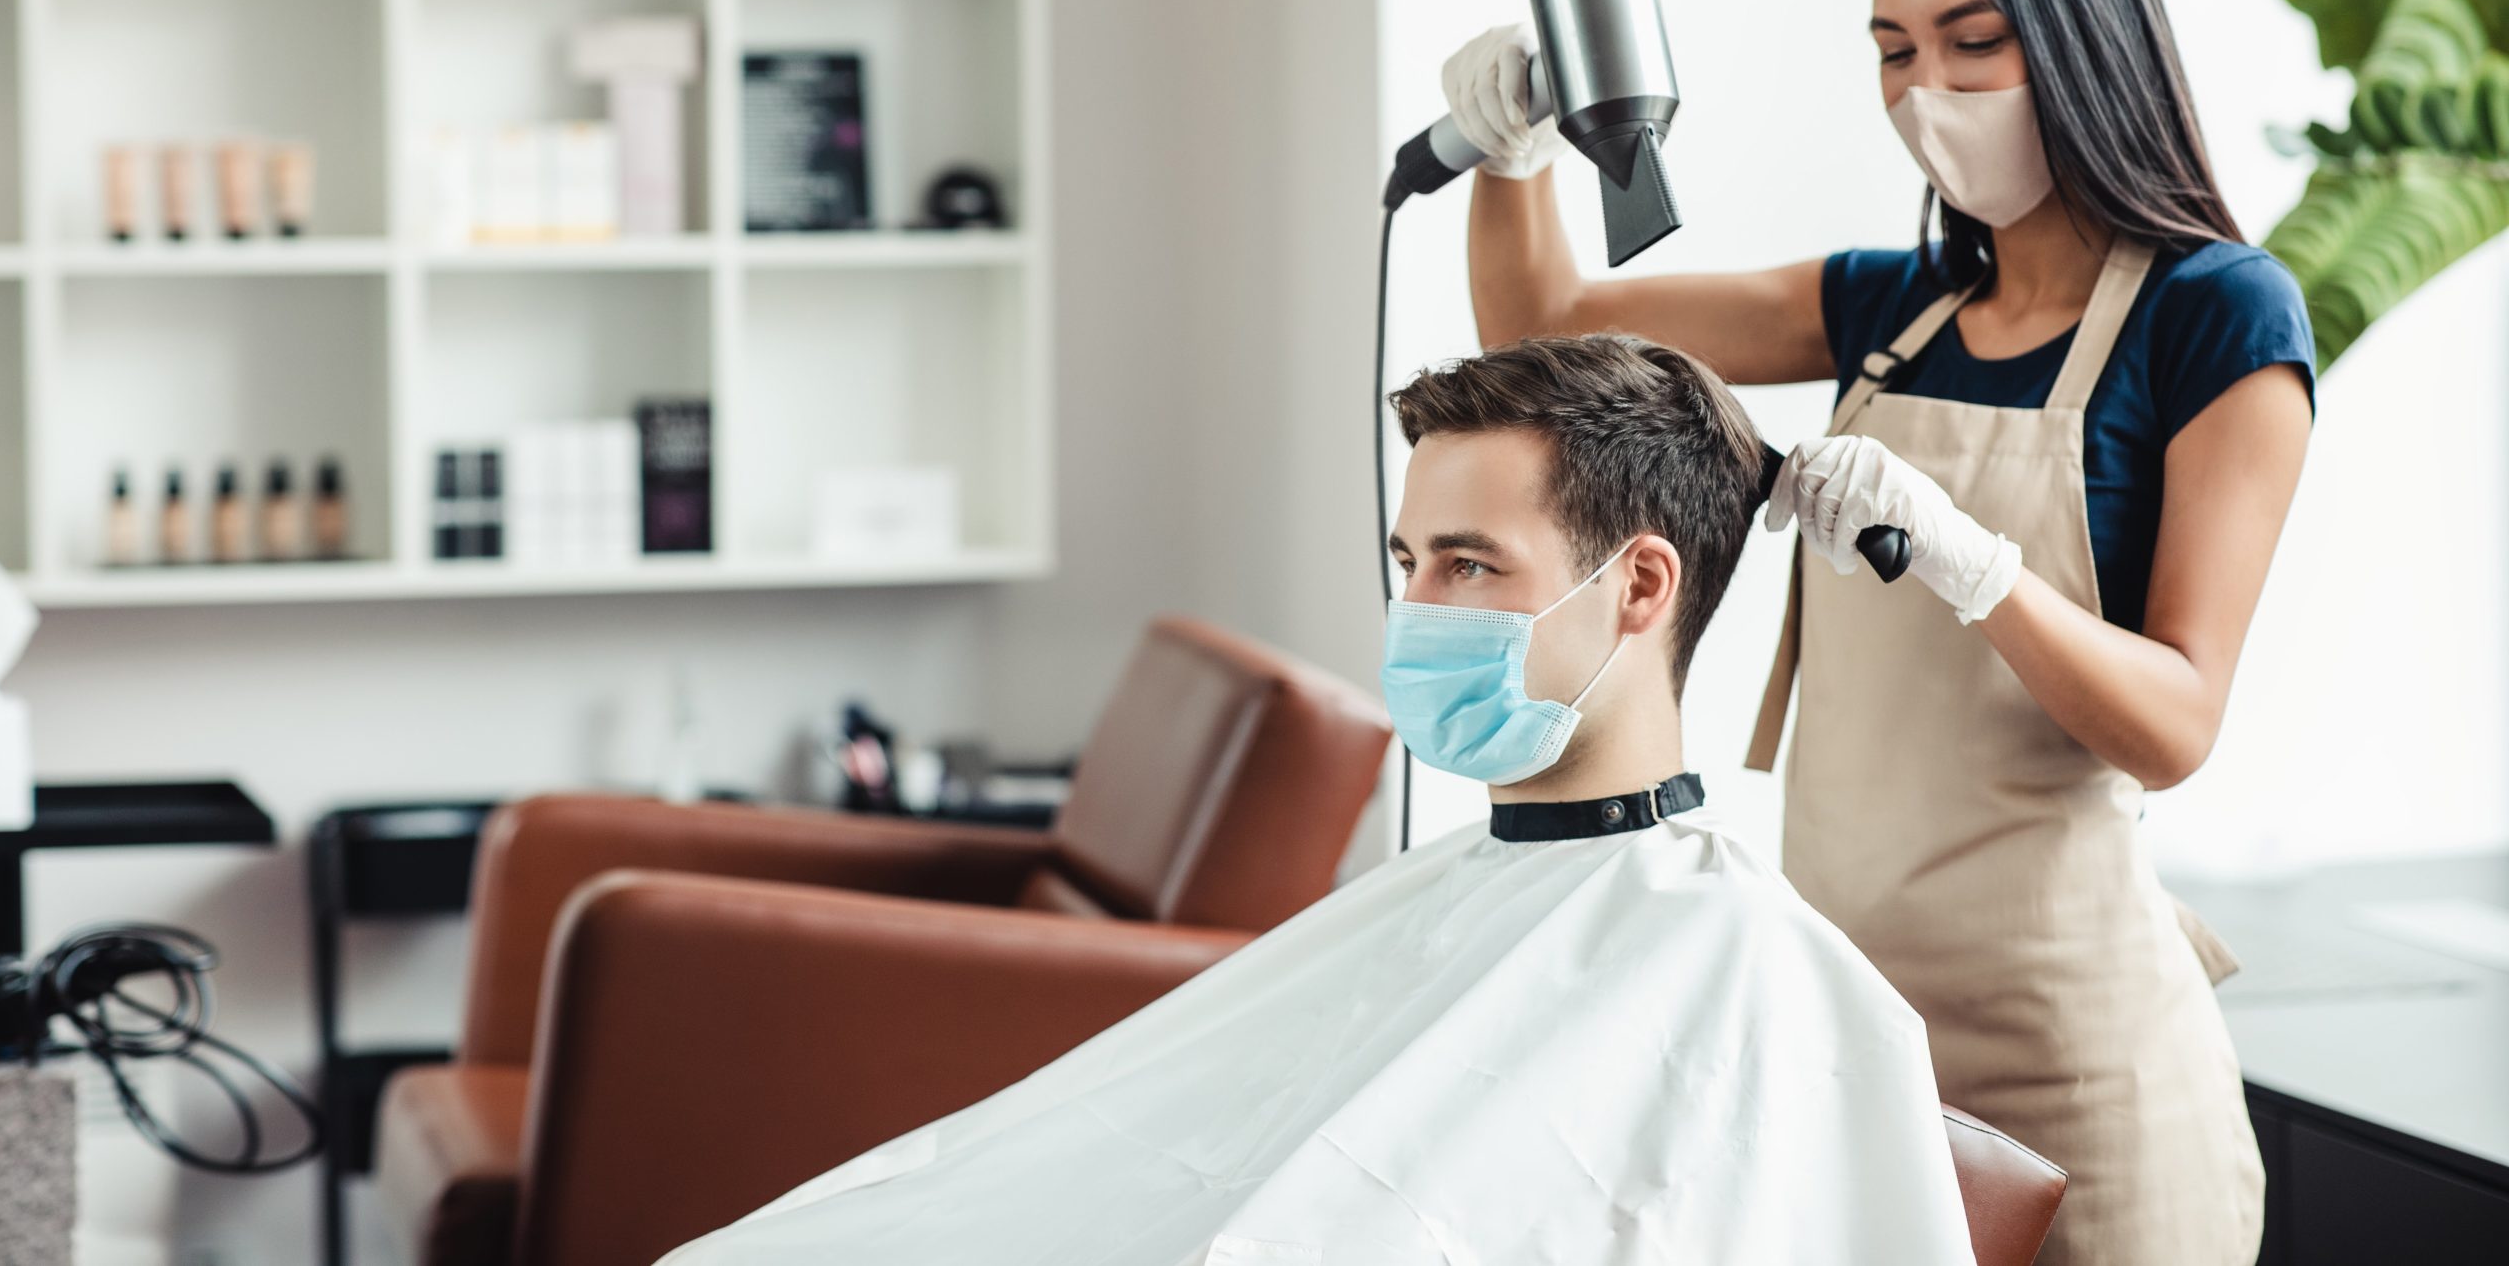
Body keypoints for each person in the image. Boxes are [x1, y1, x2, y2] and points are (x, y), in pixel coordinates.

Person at [1445, 0, 2314, 1265]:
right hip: (1855, 1034)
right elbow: (1543, 327)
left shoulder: (2217, 317)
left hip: (2081, 1061)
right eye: (1893, 48)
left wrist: (1972, 566)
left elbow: (2173, 725)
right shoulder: (1887, 308)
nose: (1927, 93)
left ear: (2084, 38)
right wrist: (1511, 150)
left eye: (1973, 42)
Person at [663, 333, 1979, 1265]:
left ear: (1640, 589)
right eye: (1409, 561)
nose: (1418, 612)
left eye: (1469, 565)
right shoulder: (1463, 892)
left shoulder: (1746, 966)